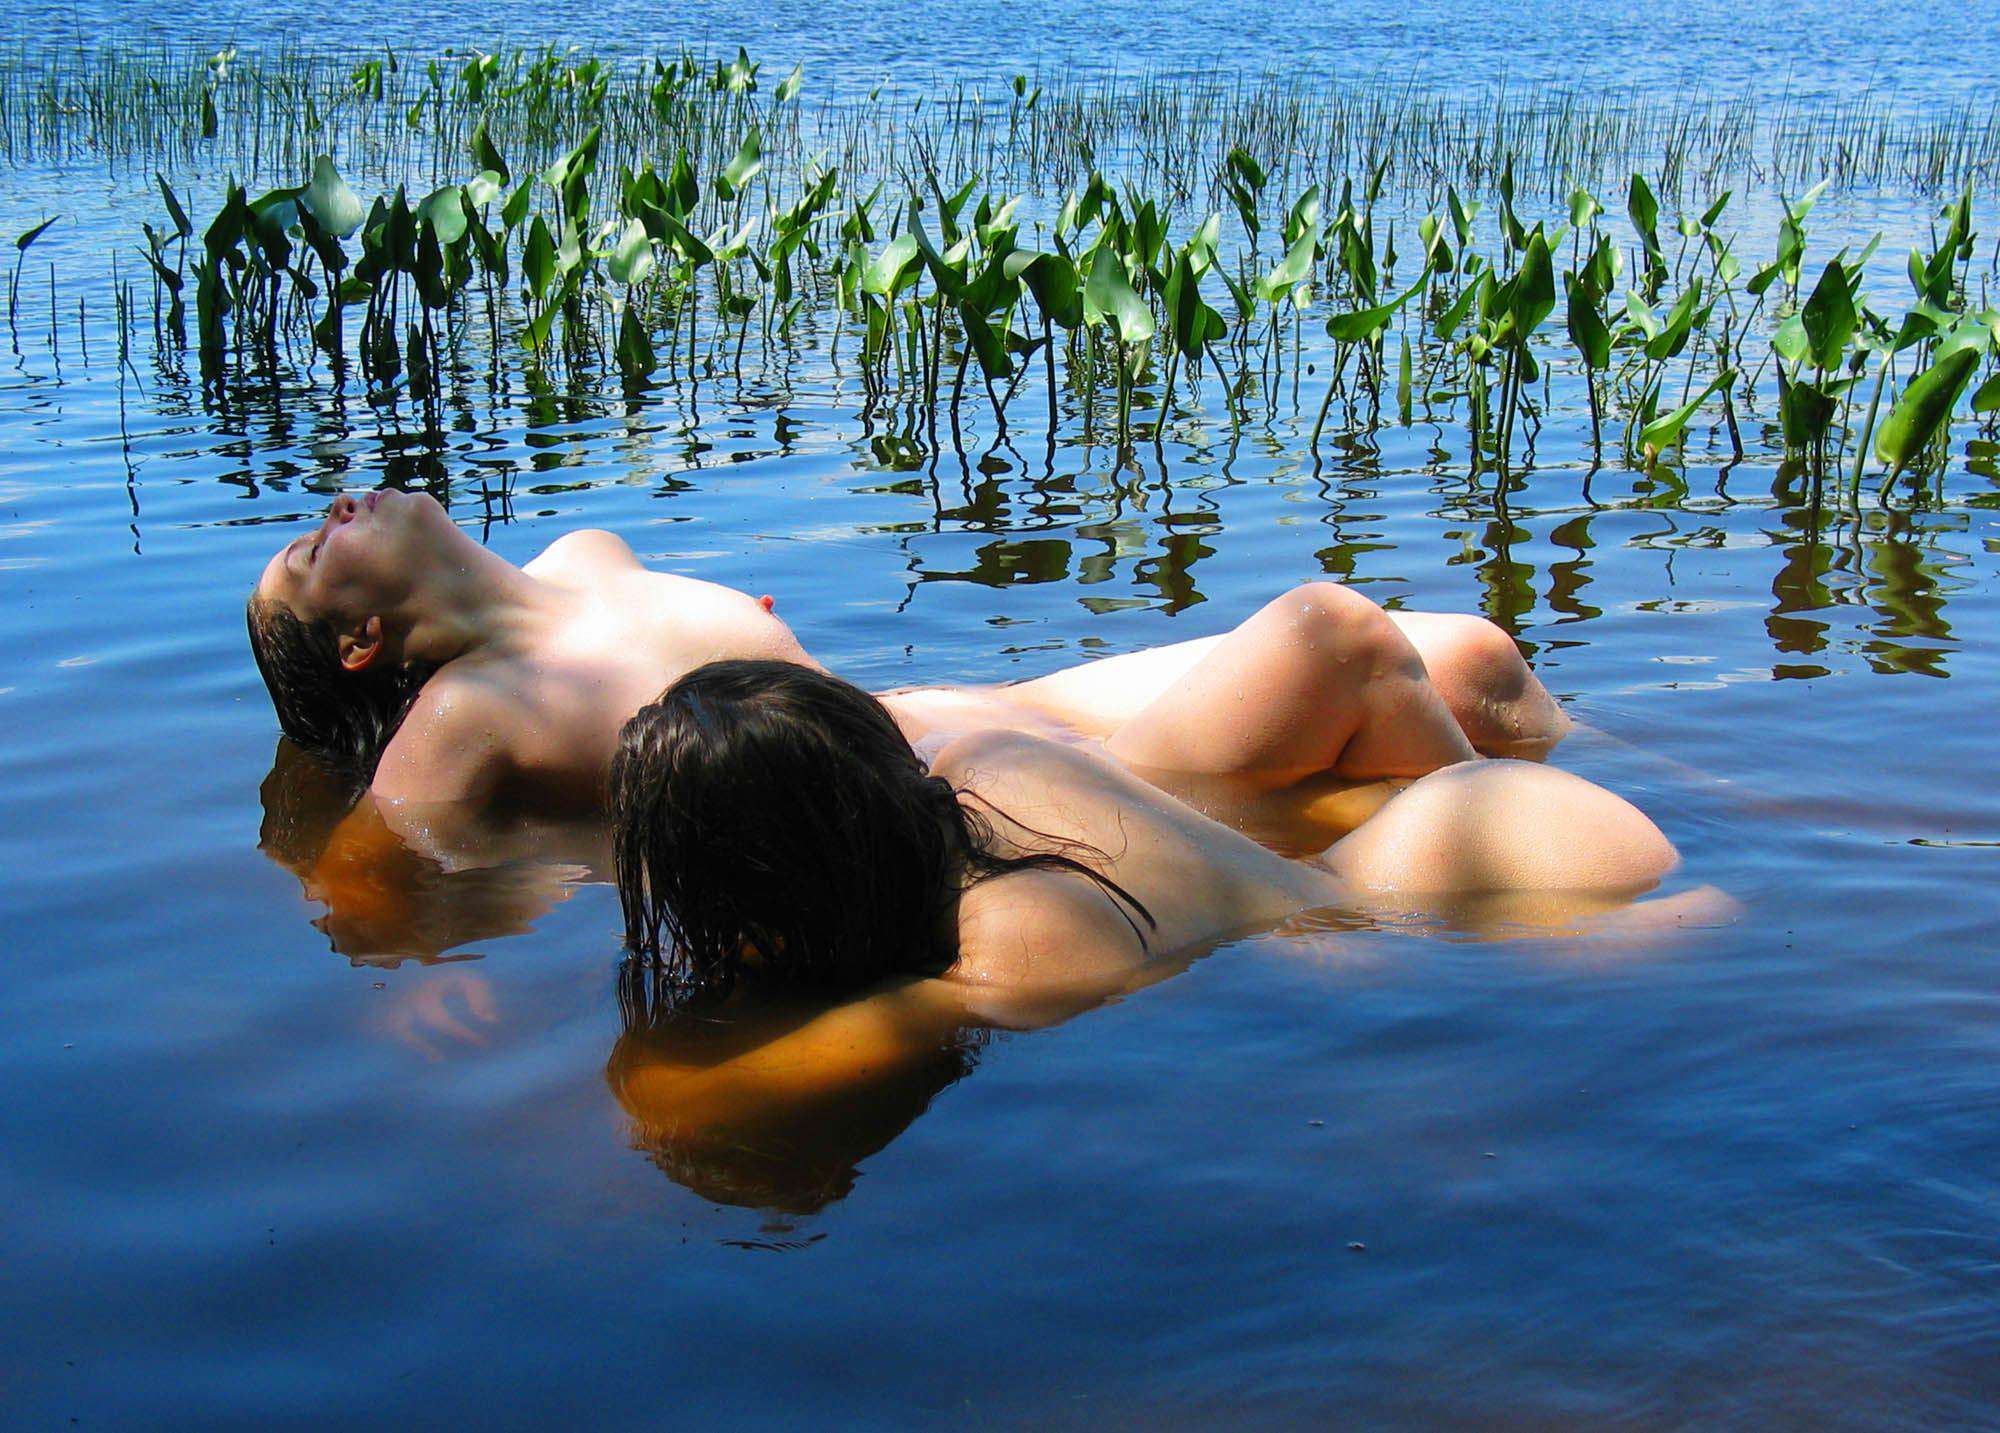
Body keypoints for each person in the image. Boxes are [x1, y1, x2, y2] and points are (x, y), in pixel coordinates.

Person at [247, 491, 1568, 827]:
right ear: (361, 642)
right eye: (310, 553)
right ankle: (1536, 919)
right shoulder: (465, 715)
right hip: (967, 786)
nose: (334, 509)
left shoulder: (587, 553)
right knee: (1342, 643)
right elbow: (369, 863)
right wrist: (400, 992)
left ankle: (1657, 802)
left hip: (985, 702)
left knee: (1470, 650)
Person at [610, 659, 1699, 1045]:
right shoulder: (979, 761)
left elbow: (746, 1076)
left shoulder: (1018, 942)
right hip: (1480, 826)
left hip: (1513, 869)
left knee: (1713, 949)